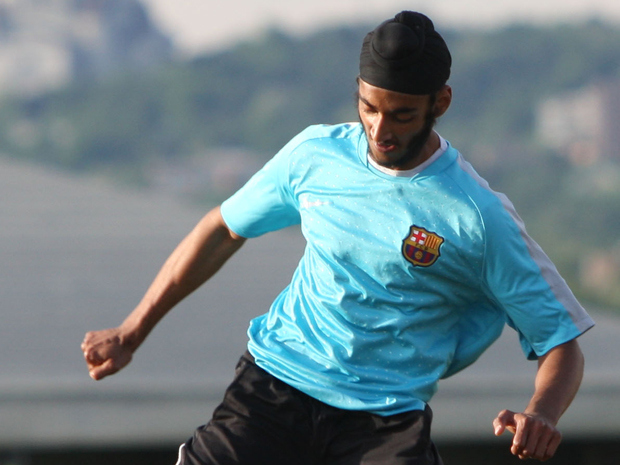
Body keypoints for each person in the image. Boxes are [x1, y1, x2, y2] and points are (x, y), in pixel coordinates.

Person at [81, 11, 594, 464]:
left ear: (441, 101)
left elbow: (561, 342)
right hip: (275, 388)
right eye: (369, 107)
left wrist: (542, 413)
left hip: (384, 420)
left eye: (401, 114)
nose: (380, 129)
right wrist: (132, 330)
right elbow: (221, 228)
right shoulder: (315, 155)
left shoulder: (479, 216)